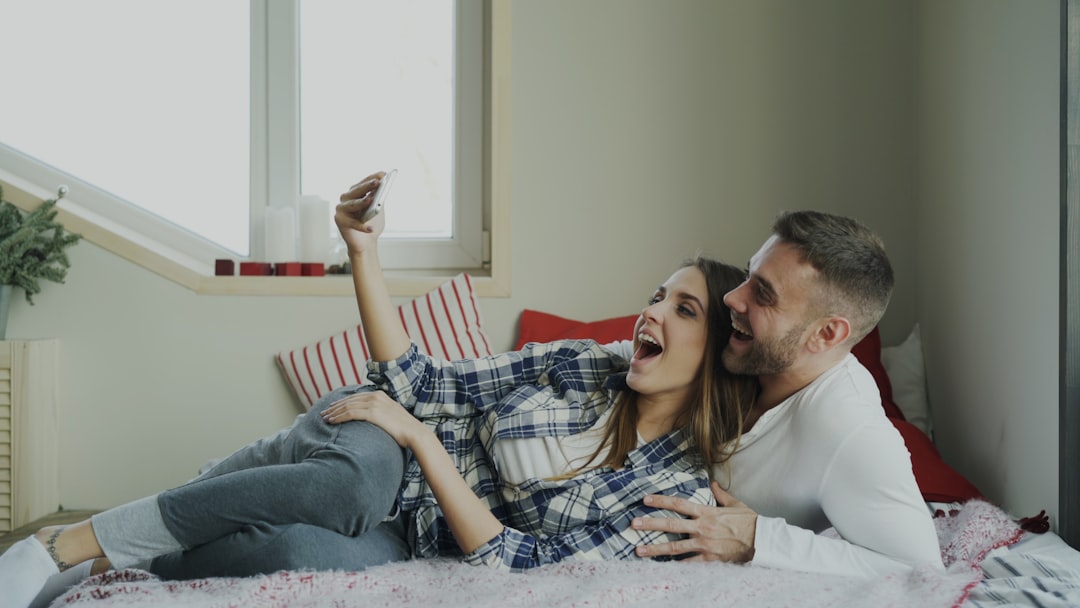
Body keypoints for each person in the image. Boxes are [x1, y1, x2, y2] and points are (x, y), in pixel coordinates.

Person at [0, 171, 758, 608]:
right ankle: (67, 541)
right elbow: (416, 385)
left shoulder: (675, 495)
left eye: (682, 309)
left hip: (419, 526)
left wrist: (427, 443)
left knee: (296, 553)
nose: (651, 312)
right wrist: (363, 252)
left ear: (719, 353)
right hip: (377, 450)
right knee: (352, 485)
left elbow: (525, 567)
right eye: (657, 295)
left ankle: (111, 570)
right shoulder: (585, 364)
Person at [623, 210, 945, 579]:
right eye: (748, 276)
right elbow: (630, 354)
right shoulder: (741, 345)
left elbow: (921, 570)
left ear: (826, 335)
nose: (731, 298)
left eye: (763, 294)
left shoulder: (848, 429)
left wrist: (756, 537)